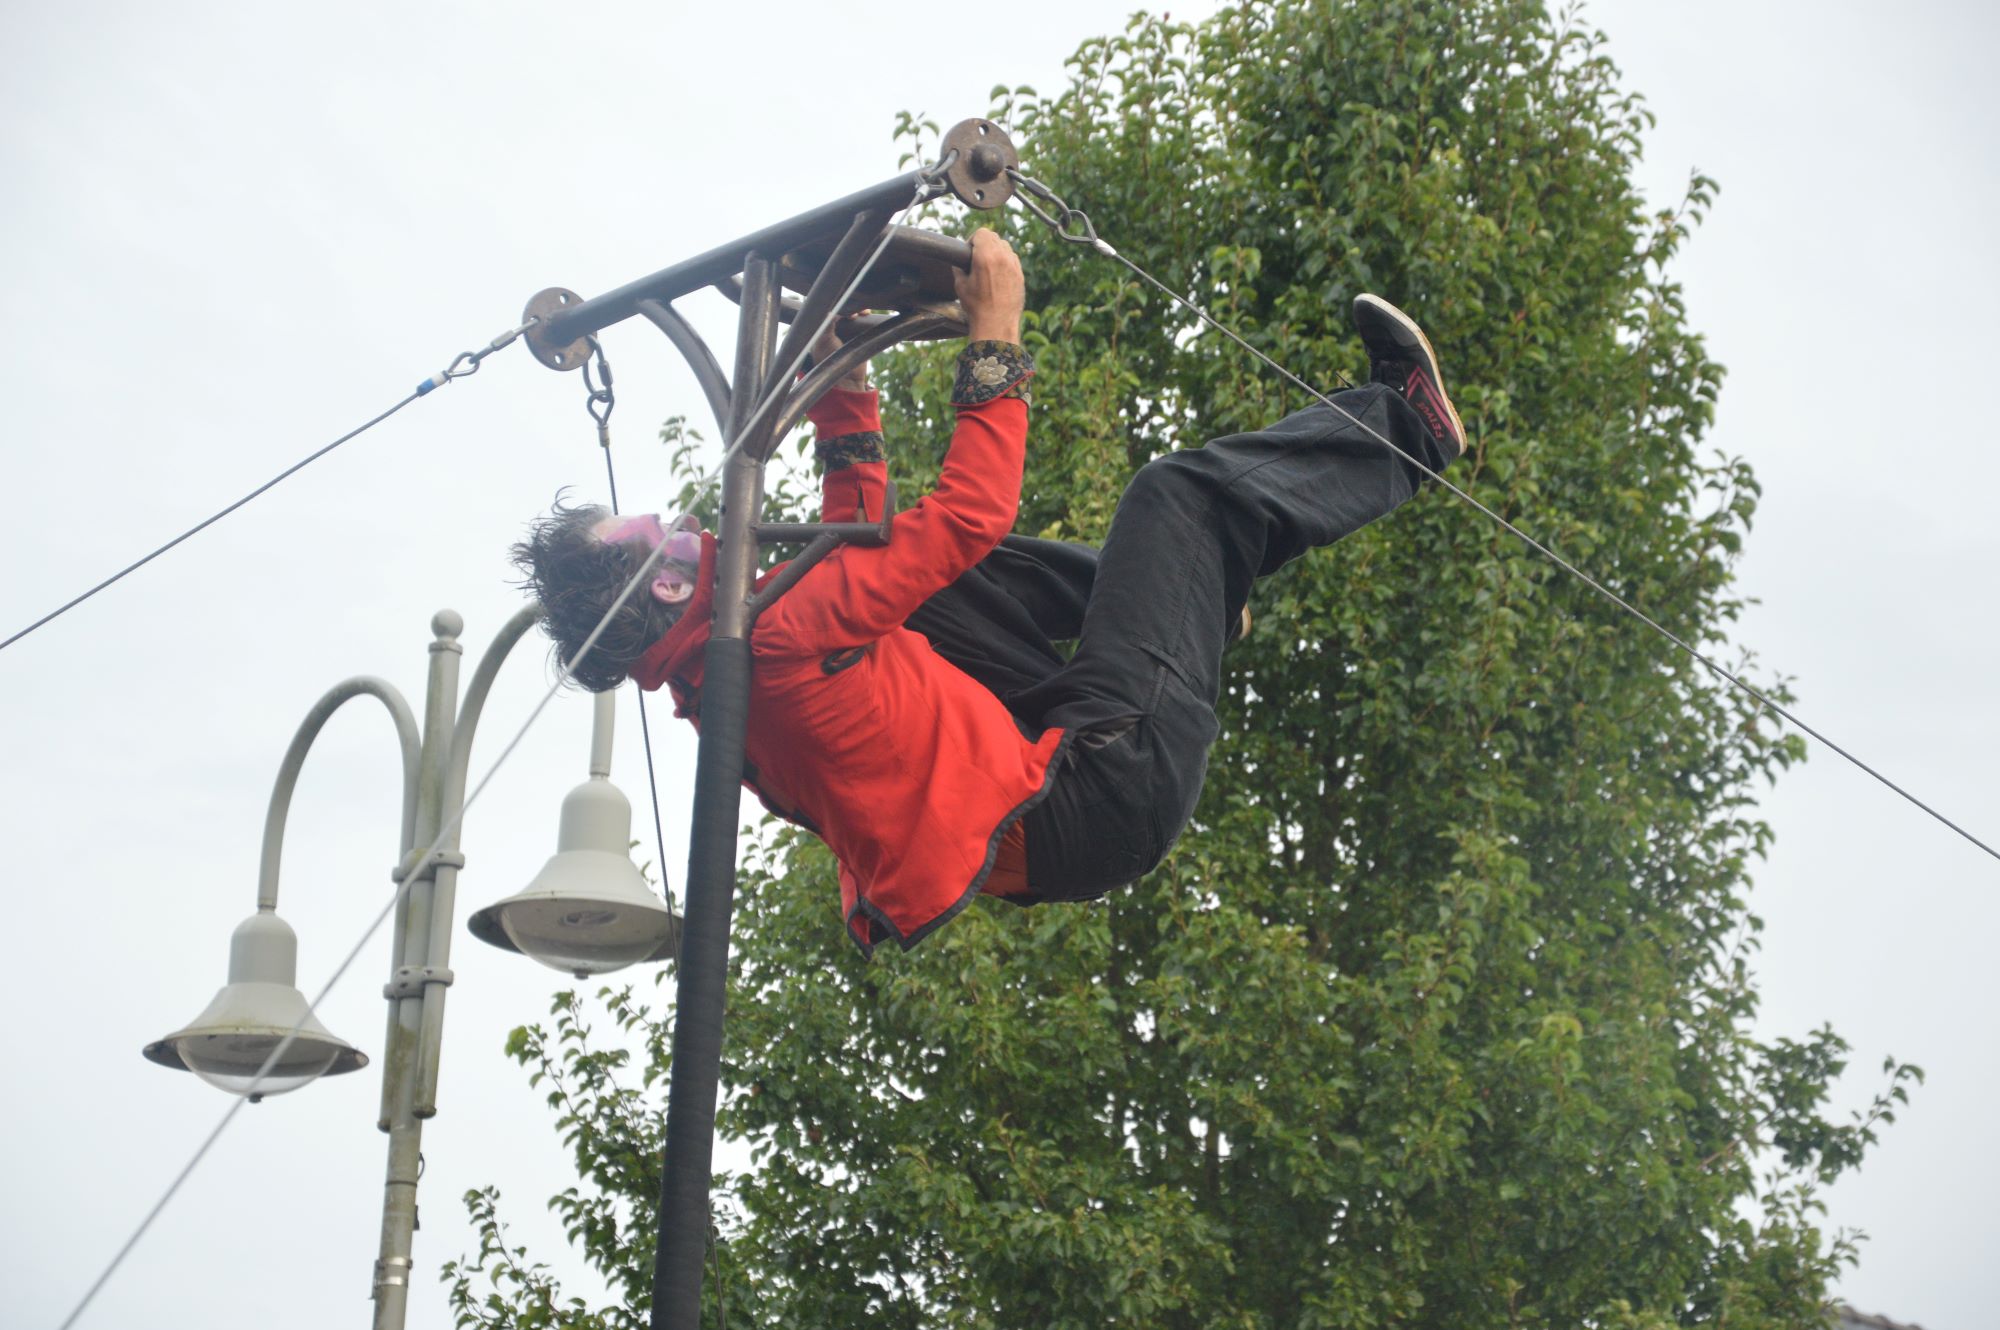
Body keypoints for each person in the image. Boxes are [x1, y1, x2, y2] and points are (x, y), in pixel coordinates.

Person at [514, 229, 1465, 957]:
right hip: (1096, 792)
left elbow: (859, 538)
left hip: (1036, 781)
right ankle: (1410, 430)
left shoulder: (727, 667)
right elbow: (974, 509)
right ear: (668, 580)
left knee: (916, 584)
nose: (683, 519)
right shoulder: (772, 635)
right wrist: (997, 332)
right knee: (1176, 496)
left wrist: (840, 375)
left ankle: (1188, 593)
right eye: (659, 530)